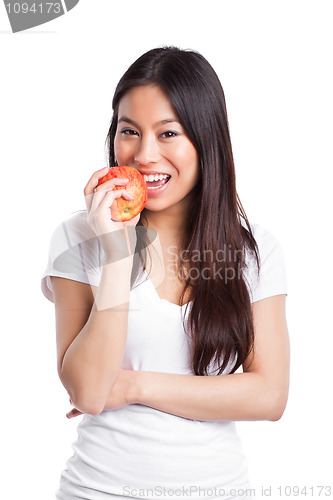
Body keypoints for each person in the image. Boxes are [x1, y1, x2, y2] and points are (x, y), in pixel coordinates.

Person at [41, 46, 290, 500]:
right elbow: (90, 392)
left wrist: (136, 384)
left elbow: (270, 395)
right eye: (129, 132)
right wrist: (117, 250)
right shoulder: (77, 237)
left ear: (206, 140)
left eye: (168, 133)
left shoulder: (253, 251)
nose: (144, 154)